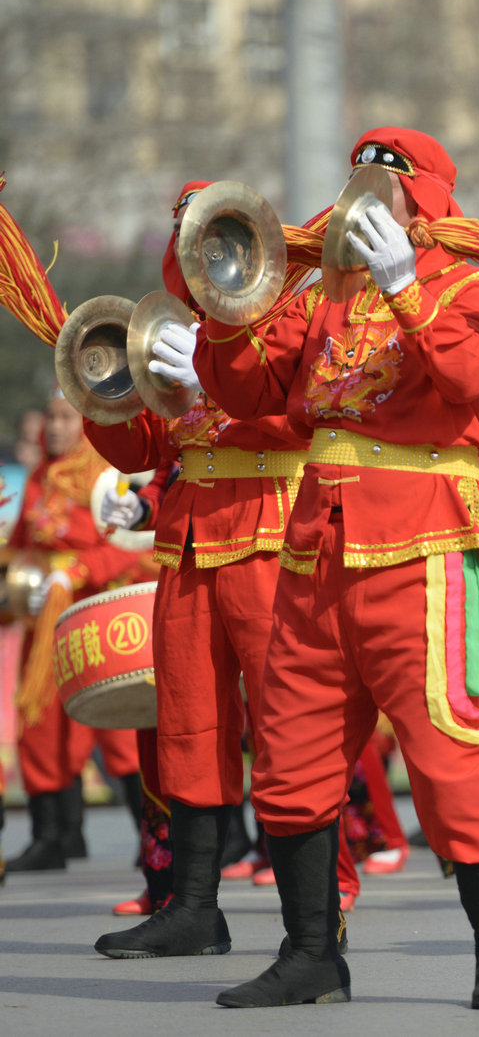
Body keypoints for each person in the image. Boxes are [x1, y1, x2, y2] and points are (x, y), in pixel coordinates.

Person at [194, 128, 479, 1007]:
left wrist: (404, 286)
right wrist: (223, 314)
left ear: (425, 201)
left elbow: (463, 375)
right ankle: (313, 955)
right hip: (315, 556)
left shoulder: (473, 290)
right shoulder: (325, 296)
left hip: (421, 558)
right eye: (357, 181)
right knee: (290, 762)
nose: (363, 198)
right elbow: (251, 391)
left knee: (451, 763)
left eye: (386, 182)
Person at [83, 180, 312, 958]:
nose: (199, 256)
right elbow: (147, 446)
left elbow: (308, 413)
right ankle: (195, 908)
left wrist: (218, 371)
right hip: (187, 543)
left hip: (270, 536)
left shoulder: (290, 314)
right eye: (188, 241)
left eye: (209, 239)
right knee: (189, 728)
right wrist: (102, 391)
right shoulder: (167, 325)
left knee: (289, 730)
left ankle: (313, 923)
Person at [5, 391, 143, 873]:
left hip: (93, 618)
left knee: (118, 730)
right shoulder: (41, 476)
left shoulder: (107, 473)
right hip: (44, 619)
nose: (57, 426)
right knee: (40, 722)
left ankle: (155, 839)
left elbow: (131, 547)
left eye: (67, 417)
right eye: (51, 417)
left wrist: (74, 573)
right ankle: (54, 837)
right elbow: (23, 541)